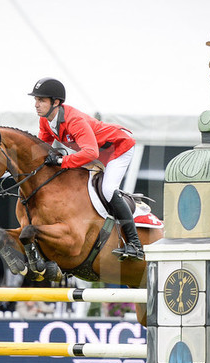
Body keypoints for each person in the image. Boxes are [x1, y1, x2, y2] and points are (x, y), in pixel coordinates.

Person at [28, 77, 143, 261]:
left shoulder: (74, 120)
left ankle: (135, 245)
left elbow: (90, 152)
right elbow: (42, 149)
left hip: (119, 147)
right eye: (35, 100)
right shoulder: (45, 120)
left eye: (41, 100)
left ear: (56, 102)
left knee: (107, 189)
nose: (36, 104)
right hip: (98, 154)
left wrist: (61, 161)